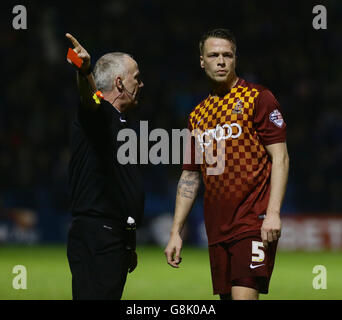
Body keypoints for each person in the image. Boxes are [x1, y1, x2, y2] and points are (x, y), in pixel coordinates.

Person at [164, 28, 289, 300]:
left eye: (227, 55)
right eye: (213, 55)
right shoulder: (197, 115)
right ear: (202, 61)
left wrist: (273, 213)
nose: (221, 61)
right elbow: (190, 176)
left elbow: (280, 156)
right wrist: (176, 232)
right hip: (217, 228)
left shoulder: (258, 98)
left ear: (235, 59)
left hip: (252, 222)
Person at [65, 33, 145, 300]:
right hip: (97, 237)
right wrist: (84, 71)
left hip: (113, 240)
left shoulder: (121, 125)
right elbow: (90, 99)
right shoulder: (98, 115)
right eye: (137, 77)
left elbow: (124, 191)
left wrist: (129, 242)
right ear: (120, 82)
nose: (141, 83)